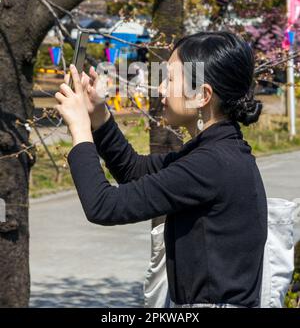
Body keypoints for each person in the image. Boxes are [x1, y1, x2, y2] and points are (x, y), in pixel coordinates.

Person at [54, 31, 268, 308]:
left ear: (202, 95)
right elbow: (134, 170)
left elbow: (103, 205)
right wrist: (98, 114)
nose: (161, 89)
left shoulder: (211, 164)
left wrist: (80, 130)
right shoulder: (218, 152)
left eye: (170, 79)